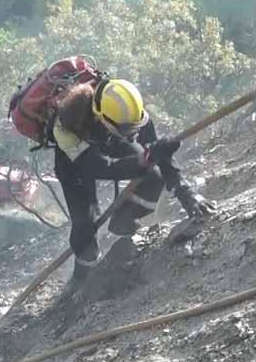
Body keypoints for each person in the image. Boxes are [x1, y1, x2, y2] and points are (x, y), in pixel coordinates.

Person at [51, 78, 215, 281]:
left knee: (153, 176)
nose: (134, 134)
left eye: (136, 127)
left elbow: (159, 152)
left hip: (111, 136)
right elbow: (103, 168)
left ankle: (123, 219)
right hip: (75, 162)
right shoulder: (66, 130)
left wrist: (185, 192)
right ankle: (82, 278)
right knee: (85, 226)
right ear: (102, 118)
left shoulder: (127, 110)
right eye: (129, 130)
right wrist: (146, 158)